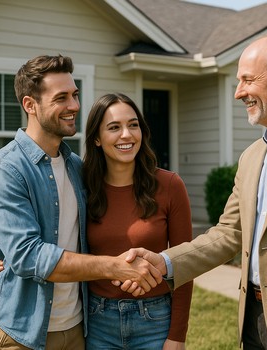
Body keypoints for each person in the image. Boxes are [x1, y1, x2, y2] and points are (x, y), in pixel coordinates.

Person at [122, 33, 267, 350]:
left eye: (247, 80)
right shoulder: (251, 157)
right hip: (254, 322)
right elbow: (229, 233)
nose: (238, 92)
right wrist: (165, 262)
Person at [0, 55, 161, 350]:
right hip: (21, 331)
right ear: (30, 105)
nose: (74, 106)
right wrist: (114, 267)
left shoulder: (77, 166)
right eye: (61, 97)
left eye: (75, 95)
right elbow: (28, 257)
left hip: (77, 327)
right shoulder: (3, 170)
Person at [83, 93, 193, 349]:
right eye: (114, 127)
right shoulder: (83, 187)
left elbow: (186, 264)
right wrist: (4, 257)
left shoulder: (169, 185)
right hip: (97, 321)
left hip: (154, 321)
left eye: (133, 125)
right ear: (97, 139)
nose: (126, 135)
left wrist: (177, 336)